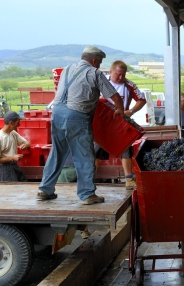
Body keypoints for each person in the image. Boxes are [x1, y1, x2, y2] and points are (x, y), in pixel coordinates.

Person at [37, 46, 124, 205]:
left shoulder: (67, 69)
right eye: (99, 62)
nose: (99, 66)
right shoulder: (94, 73)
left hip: (57, 113)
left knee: (57, 152)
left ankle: (45, 189)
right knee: (84, 155)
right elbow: (114, 96)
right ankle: (87, 194)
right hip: (76, 116)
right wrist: (121, 111)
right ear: (93, 60)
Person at [95, 60, 146, 190]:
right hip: (102, 124)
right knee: (95, 151)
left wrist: (131, 111)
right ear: (110, 72)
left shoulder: (129, 85)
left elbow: (141, 100)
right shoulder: (101, 83)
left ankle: (129, 179)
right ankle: (89, 179)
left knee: (126, 149)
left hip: (120, 123)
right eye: (118, 74)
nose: (121, 77)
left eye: (123, 75)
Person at [0, 111, 31, 182]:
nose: (19, 124)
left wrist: (26, 145)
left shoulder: (13, 133)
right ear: (11, 123)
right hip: (5, 169)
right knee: (11, 190)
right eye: (18, 122)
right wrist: (12, 158)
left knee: (23, 186)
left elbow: (28, 142)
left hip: (14, 166)